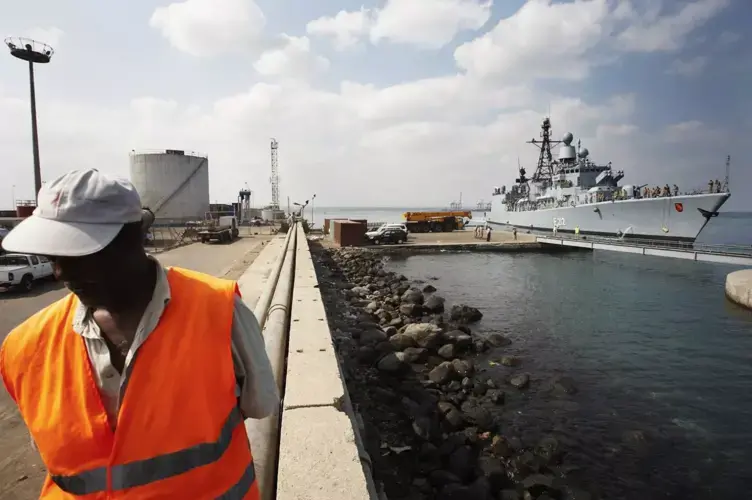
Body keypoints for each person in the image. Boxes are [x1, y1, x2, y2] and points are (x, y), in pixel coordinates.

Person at [0, 169, 277, 499]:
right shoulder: (25, 347)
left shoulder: (220, 312)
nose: (61, 272)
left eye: (79, 252)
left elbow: (261, 406)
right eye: (54, 255)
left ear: (136, 236)